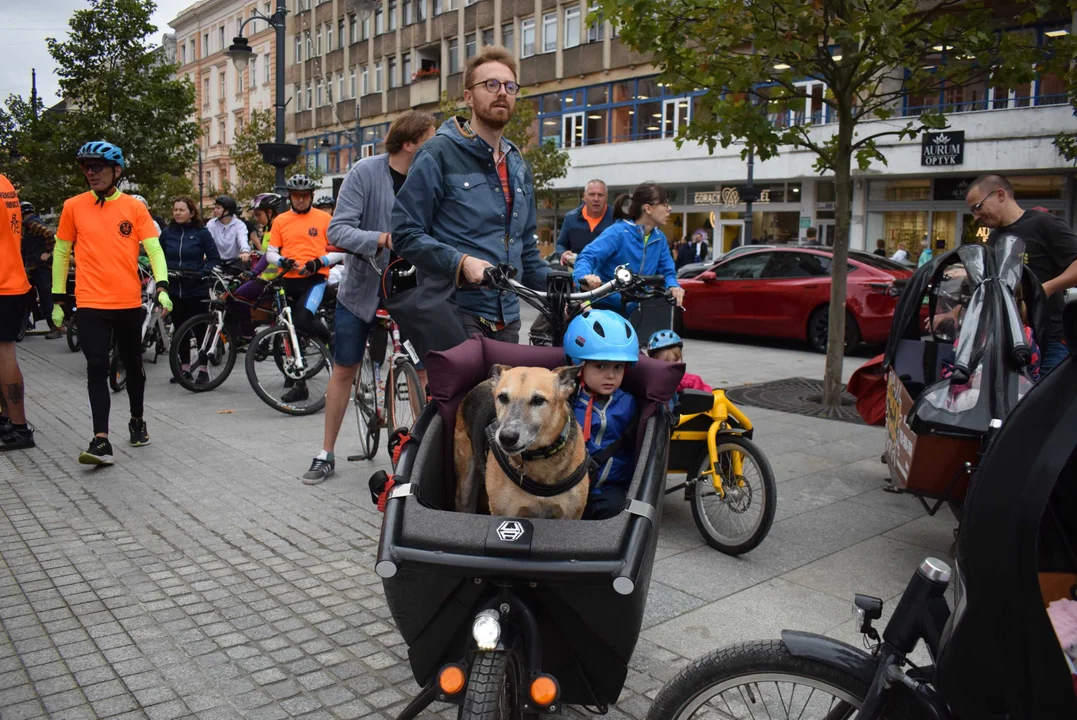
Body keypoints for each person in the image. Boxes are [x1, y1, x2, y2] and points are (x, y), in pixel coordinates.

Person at [303, 110, 436, 485]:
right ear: (410, 143)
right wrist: (382, 239)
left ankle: (424, 450)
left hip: (412, 289)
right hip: (362, 289)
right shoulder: (365, 172)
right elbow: (339, 230)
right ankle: (325, 452)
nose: (438, 146)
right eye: (431, 139)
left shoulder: (431, 178)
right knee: (345, 369)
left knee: (423, 369)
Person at [393, 45, 549, 343]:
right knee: (464, 392)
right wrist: (461, 262)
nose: (501, 92)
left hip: (507, 318)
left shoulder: (517, 164)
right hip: (455, 311)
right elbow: (405, 233)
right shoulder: (438, 153)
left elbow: (526, 252)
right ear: (468, 97)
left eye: (509, 86)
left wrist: (569, 286)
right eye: (490, 84)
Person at [50, 141, 172, 465]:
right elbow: (62, 253)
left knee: (132, 365)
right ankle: (101, 440)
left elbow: (154, 250)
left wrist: (162, 285)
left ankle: (137, 420)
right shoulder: (73, 206)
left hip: (128, 302)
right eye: (85, 167)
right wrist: (58, 297)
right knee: (97, 367)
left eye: (97, 166)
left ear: (116, 170)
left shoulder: (134, 207)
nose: (90, 172)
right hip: (90, 303)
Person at [966, 174, 1077, 375]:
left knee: (1047, 403)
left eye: (978, 207)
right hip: (1008, 341)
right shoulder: (994, 239)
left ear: (999, 195)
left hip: (1049, 341)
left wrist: (1045, 289)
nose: (975, 216)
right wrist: (955, 312)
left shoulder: (1044, 223)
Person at [564, 309, 639, 521]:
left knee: (616, 514)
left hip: (607, 491)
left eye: (619, 367)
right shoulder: (566, 399)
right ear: (578, 365)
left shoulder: (628, 403)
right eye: (600, 365)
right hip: (564, 488)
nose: (611, 375)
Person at [265, 174, 333, 405]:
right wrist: (282, 261)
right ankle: (299, 384)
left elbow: (341, 250)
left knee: (303, 319)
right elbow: (271, 252)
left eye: (305, 196)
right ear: (290, 197)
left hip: (314, 279)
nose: (301, 200)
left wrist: (319, 262)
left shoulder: (325, 218)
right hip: (288, 280)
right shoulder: (281, 220)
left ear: (311, 196)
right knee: (289, 332)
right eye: (296, 196)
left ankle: (329, 338)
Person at [574, 182, 684, 314]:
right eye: (665, 204)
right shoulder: (619, 232)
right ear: (648, 208)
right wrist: (584, 277)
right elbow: (587, 256)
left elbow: (668, 273)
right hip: (602, 307)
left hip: (635, 311)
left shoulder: (660, 239)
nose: (670, 208)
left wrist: (673, 285)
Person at [161, 197, 221, 384]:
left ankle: (203, 369)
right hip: (175, 288)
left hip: (195, 287)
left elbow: (214, 258)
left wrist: (201, 273)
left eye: (182, 210)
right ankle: (184, 369)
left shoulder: (201, 233)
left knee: (200, 329)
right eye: (175, 210)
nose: (177, 213)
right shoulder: (167, 233)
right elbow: (158, 256)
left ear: (191, 213)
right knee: (180, 329)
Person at [0, 176, 36, 450]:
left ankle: (19, 427)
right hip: (12, 280)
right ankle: (7, 419)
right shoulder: (5, 183)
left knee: (5, 355)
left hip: (2, 284)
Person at [19, 201, 61, 339]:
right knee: (29, 292)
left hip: (40, 266)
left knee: (44, 295)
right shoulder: (29, 224)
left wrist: (48, 252)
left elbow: (49, 234)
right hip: (34, 266)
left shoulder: (31, 223)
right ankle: (35, 318)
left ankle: (54, 327)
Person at [556, 179, 613, 266]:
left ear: (606, 197)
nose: (596, 199)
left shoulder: (617, 219)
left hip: (608, 276)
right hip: (579, 274)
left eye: (600, 195)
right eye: (592, 194)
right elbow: (561, 244)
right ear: (584, 196)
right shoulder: (571, 218)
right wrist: (562, 254)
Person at [646, 330, 713, 394]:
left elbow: (702, 399)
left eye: (676, 360)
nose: (672, 365)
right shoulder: (649, 382)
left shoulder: (691, 381)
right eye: (666, 361)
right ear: (653, 363)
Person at [206, 195, 251, 264]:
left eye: (218, 208)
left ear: (227, 211)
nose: (215, 210)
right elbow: (207, 240)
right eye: (215, 208)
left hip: (235, 262)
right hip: (216, 262)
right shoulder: (211, 224)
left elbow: (242, 239)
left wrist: (245, 251)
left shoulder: (239, 224)